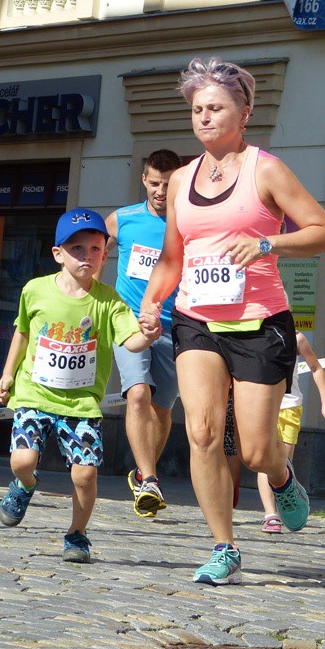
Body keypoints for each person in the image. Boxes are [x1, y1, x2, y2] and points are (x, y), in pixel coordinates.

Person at [138, 56, 325, 585]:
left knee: (253, 450)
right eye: (197, 109)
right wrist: (152, 302)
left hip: (260, 322)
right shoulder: (180, 180)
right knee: (203, 433)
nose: (204, 117)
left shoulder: (265, 169)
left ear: (244, 113)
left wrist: (268, 243)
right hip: (196, 320)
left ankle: (282, 477)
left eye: (215, 108)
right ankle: (223, 546)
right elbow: (173, 258)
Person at [0, 208, 161, 564]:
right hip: (34, 394)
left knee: (85, 474)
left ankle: (77, 534)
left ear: (105, 255)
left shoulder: (109, 301)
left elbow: (130, 340)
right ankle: (24, 485)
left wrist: (148, 336)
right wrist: (8, 374)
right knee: (23, 460)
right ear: (58, 254)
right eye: (77, 249)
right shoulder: (35, 290)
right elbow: (22, 333)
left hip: (81, 402)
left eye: (96, 249)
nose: (87, 256)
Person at [105, 150, 184, 518]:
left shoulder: (187, 223)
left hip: (174, 326)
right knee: (138, 393)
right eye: (154, 183)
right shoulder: (122, 220)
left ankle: (141, 472)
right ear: (144, 180)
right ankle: (150, 480)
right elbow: (91, 255)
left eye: (167, 184)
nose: (160, 191)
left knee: (162, 410)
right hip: (130, 322)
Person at [258, 331, 325, 532]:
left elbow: (316, 368)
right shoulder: (254, 335)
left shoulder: (297, 339)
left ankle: (288, 494)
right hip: (262, 405)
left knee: (281, 463)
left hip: (289, 407)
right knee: (263, 459)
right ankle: (270, 515)